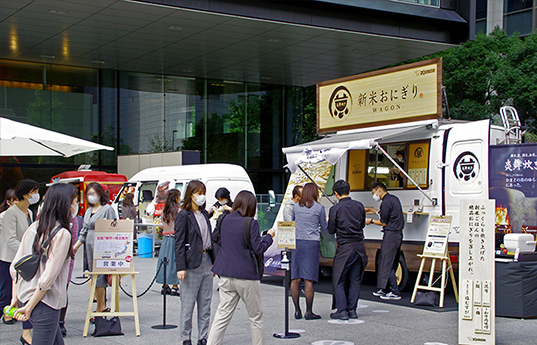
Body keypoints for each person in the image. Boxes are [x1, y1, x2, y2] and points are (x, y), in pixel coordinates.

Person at [9, 183, 77, 345]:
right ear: (65, 204)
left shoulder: (34, 227)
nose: (76, 205)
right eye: (74, 201)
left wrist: (16, 298)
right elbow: (47, 278)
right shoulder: (62, 234)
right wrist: (29, 307)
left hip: (27, 296)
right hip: (45, 301)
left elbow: (15, 267)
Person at [207, 191, 275, 345]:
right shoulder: (250, 223)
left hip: (225, 273)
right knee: (255, 317)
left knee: (222, 315)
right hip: (247, 275)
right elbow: (258, 249)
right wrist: (269, 237)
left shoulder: (223, 219)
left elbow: (217, 240)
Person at [175, 180, 214, 345]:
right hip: (191, 263)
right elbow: (178, 242)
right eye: (198, 193)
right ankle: (186, 338)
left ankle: (203, 337)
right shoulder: (183, 215)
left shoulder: (205, 214)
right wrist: (180, 267)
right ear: (190, 194)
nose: (201, 196)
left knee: (205, 304)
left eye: (203, 192)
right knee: (188, 304)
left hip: (207, 261)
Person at [0, 179, 39, 343]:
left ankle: (26, 333)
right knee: (7, 295)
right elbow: (10, 240)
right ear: (25, 194)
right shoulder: (10, 213)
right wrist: (28, 251)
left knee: (26, 296)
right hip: (10, 260)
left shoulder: (29, 212)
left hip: (26, 261)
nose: (37, 195)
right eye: (35, 191)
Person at [73, 182, 117, 317]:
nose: (92, 196)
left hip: (102, 246)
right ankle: (100, 305)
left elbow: (113, 228)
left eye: (94, 193)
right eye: (89, 194)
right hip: (89, 245)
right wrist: (75, 247)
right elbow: (84, 230)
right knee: (92, 276)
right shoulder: (88, 211)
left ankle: (101, 307)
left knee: (100, 277)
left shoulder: (107, 209)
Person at [327, 180, 368, 320]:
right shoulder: (359, 206)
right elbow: (362, 224)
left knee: (339, 279)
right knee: (355, 280)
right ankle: (352, 310)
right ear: (349, 191)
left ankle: (342, 310)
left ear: (336, 193)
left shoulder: (335, 209)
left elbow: (331, 230)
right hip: (360, 247)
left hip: (344, 247)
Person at [290, 182, 327, 320]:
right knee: (309, 279)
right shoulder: (319, 208)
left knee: (295, 278)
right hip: (311, 243)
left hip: (297, 242)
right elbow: (324, 227)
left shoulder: (295, 207)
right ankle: (309, 311)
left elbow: (293, 223)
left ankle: (297, 311)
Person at [366, 182, 404, 301]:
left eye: (374, 193)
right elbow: (386, 213)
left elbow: (383, 222)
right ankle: (384, 288)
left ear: (379, 190)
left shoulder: (386, 202)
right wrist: (372, 209)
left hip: (391, 235)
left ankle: (394, 291)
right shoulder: (393, 199)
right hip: (397, 234)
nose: (374, 196)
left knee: (386, 262)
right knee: (391, 261)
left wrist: (370, 221)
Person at [157, 189, 181, 296]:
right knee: (175, 262)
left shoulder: (165, 210)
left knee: (164, 261)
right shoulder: (179, 210)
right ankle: (175, 286)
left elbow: (161, 224)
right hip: (175, 238)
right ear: (176, 198)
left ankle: (165, 285)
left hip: (166, 239)